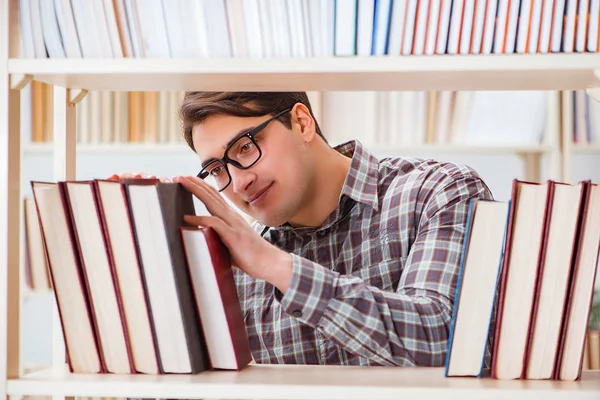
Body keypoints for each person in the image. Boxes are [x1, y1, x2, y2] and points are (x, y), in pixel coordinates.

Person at [110, 92, 493, 367]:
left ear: (302, 122)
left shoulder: (438, 191)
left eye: (245, 147)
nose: (239, 183)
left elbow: (449, 339)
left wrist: (277, 267)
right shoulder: (242, 271)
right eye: (217, 170)